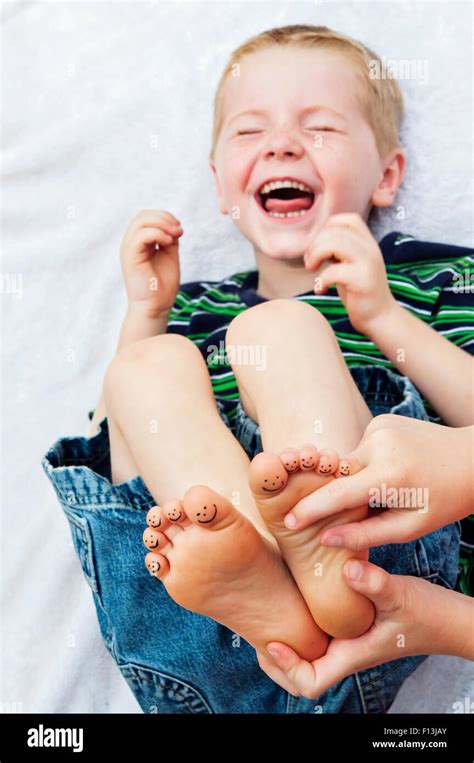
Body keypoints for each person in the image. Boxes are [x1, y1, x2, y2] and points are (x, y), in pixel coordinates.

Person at [42, 24, 472, 714]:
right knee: (142, 368)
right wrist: (148, 314)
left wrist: (386, 319)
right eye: (249, 132)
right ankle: (262, 577)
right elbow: (111, 438)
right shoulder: (192, 307)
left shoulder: (427, 280)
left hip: (381, 580)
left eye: (321, 126)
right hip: (196, 621)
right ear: (220, 184)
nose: (280, 143)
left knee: (279, 327)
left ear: (387, 174)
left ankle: (322, 567)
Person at [255, 416, 474, 698]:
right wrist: (446, 621)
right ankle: (263, 561)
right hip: (372, 631)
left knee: (298, 385)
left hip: (394, 500)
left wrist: (463, 454)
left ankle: (259, 551)